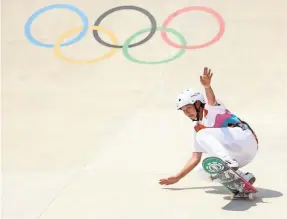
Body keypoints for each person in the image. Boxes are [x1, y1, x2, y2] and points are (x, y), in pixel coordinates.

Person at [159, 67, 258, 186]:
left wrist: (207, 87)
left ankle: (227, 161)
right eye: (184, 110)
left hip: (245, 138)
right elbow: (196, 157)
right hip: (243, 156)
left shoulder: (210, 110)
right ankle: (242, 178)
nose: (187, 113)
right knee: (201, 172)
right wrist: (177, 177)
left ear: (197, 103)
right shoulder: (197, 128)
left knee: (202, 133)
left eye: (188, 108)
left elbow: (211, 100)